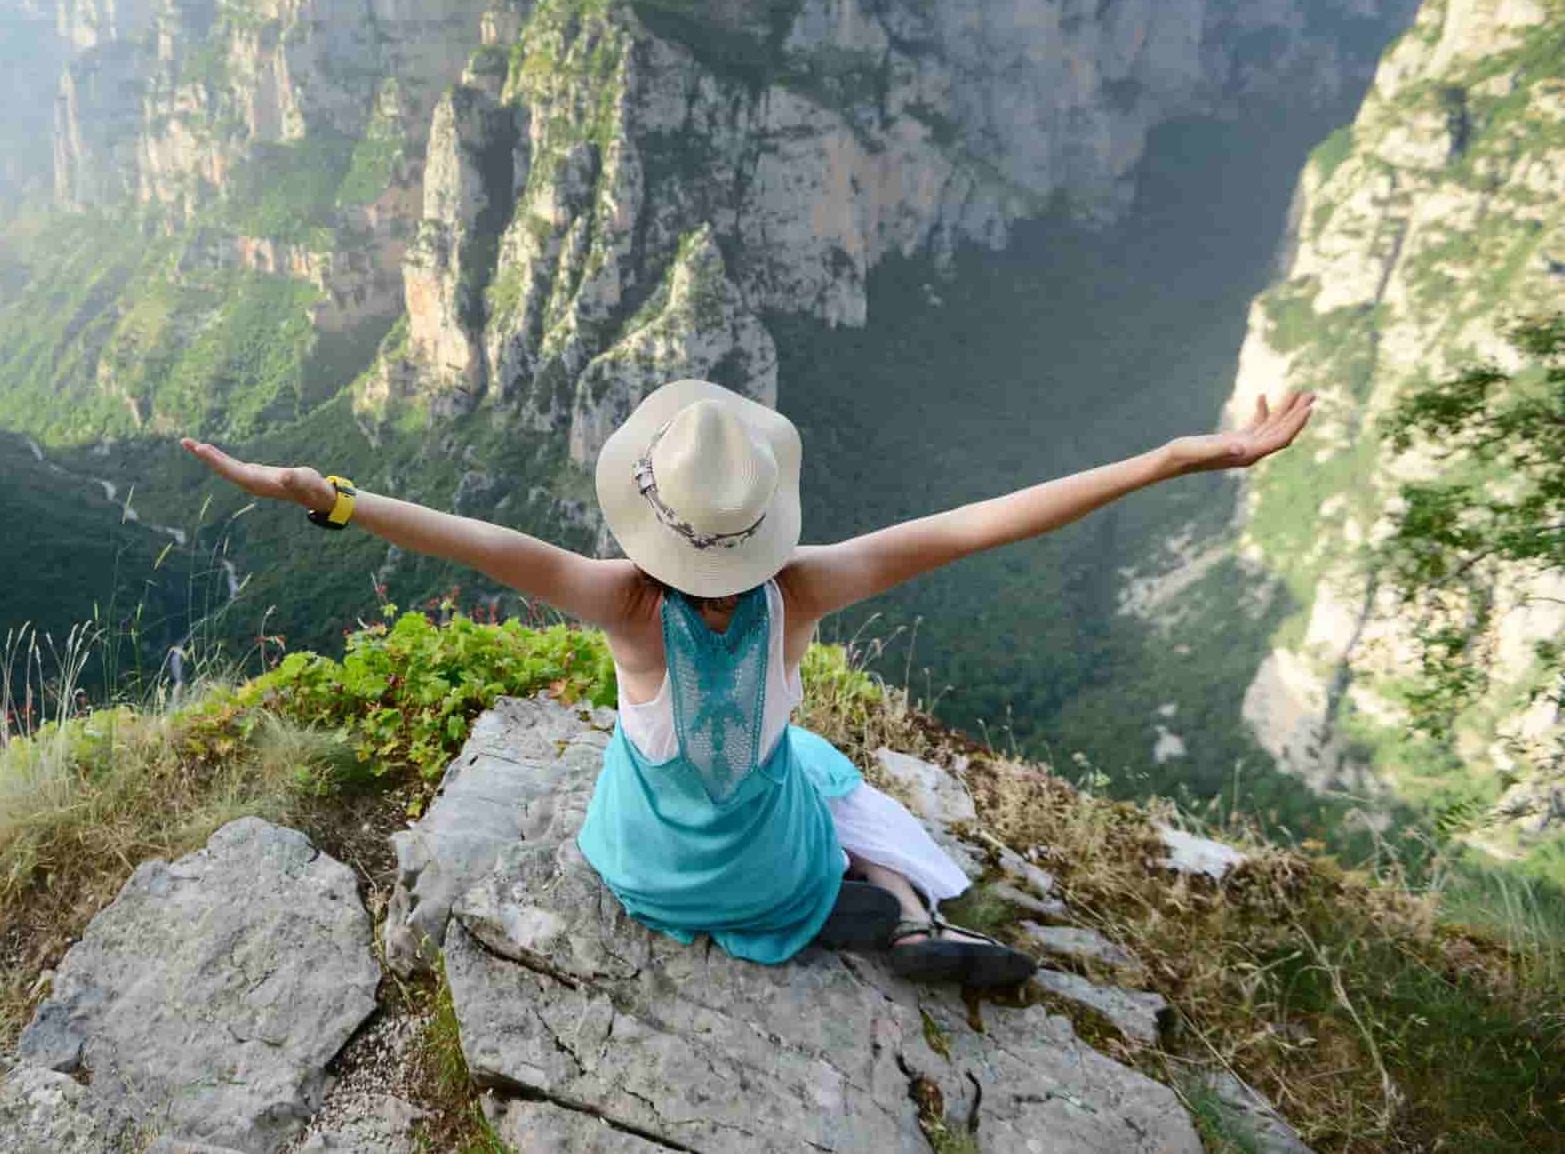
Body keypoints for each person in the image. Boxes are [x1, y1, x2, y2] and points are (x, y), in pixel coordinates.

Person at [181, 379, 1313, 984]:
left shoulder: (618, 600)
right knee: (826, 780)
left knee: (792, 774)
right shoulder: (805, 589)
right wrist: (1173, 459)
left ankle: (885, 918)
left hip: (647, 875)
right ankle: (908, 918)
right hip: (770, 875)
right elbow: (979, 525)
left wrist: (318, 492)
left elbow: (473, 540)